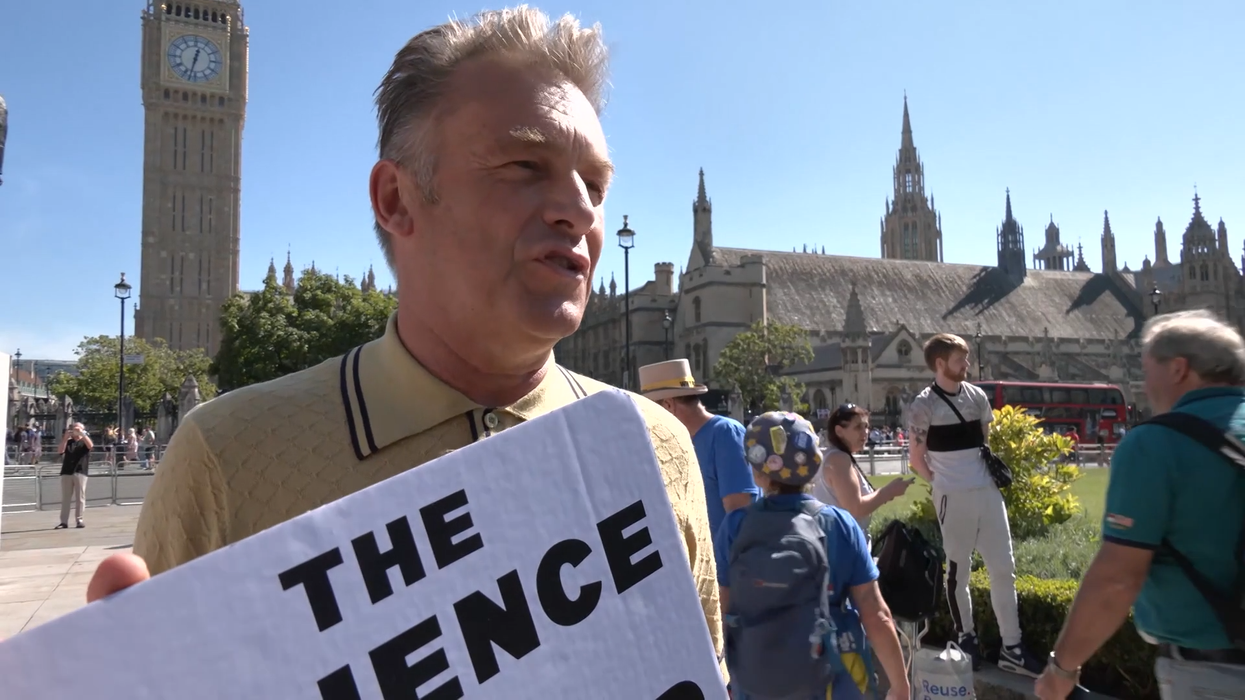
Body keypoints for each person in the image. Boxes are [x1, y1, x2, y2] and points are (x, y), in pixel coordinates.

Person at [82, 5, 725, 673]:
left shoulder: (654, 449)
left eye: (594, 184)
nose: (581, 210)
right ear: (395, 199)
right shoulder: (227, 456)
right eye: (524, 165)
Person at [1036, 310, 1245, 699]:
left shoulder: (1154, 443)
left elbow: (1118, 578)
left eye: (1148, 371)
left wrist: (1062, 668)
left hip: (1215, 670)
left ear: (1179, 369)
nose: (1143, 387)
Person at [715, 412, 909, 700]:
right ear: (814, 463)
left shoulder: (735, 527)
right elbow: (876, 614)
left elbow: (723, 608)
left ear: (757, 471)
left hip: (757, 678)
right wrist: (900, 685)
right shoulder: (840, 524)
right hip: (832, 678)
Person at [906, 333, 1042, 676]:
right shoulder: (924, 406)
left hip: (986, 492)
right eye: (959, 360)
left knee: (1003, 569)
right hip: (954, 496)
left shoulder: (977, 397)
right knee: (958, 572)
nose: (967, 365)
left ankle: (1013, 647)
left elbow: (985, 442)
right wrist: (942, 485)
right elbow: (916, 458)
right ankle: (966, 637)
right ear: (940, 363)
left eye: (966, 359)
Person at [641, 358, 758, 536]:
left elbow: (739, 513)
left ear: (668, 405)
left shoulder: (725, 434)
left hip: (727, 562)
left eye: (648, 410)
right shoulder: (675, 441)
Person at [812, 403, 912, 546]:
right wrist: (888, 492)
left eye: (866, 426)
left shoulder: (835, 456)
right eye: (858, 427)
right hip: (845, 547)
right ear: (839, 431)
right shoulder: (839, 459)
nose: (865, 432)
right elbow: (855, 509)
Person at [56, 422, 92, 529]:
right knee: (66, 497)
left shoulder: (84, 441)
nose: (75, 431)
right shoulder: (69, 442)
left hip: (80, 471)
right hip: (67, 471)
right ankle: (63, 522)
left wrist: (82, 434)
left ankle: (79, 519)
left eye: (77, 429)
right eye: (73, 429)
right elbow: (60, 451)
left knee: (80, 497)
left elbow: (90, 446)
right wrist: (65, 438)